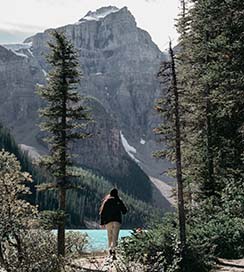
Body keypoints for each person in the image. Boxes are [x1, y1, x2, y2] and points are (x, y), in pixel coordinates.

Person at [99, 188, 127, 260]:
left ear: (110, 194)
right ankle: (114, 253)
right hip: (117, 221)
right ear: (117, 194)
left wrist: (102, 223)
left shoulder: (107, 201)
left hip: (108, 222)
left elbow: (102, 213)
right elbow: (124, 211)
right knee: (115, 237)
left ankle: (110, 252)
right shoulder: (119, 200)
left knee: (110, 237)